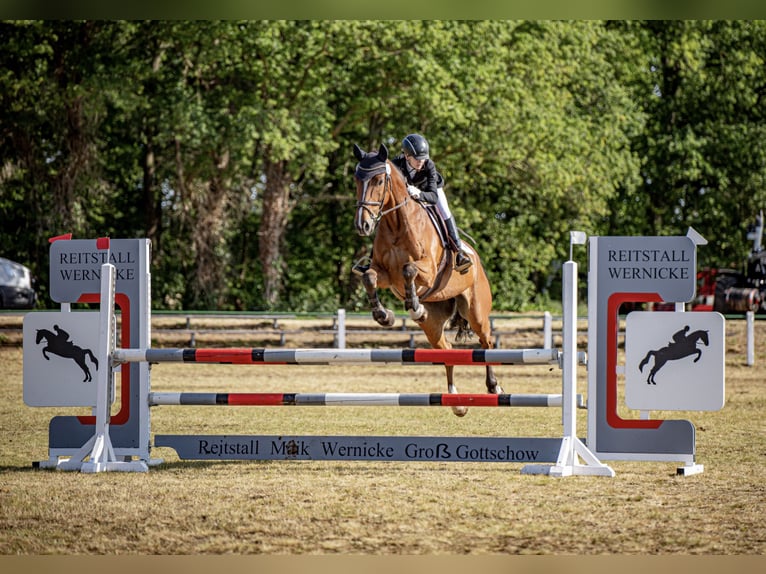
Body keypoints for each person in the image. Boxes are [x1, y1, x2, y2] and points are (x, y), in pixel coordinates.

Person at [352, 134, 472, 276]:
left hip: (430, 192)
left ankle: (459, 252)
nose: (421, 162)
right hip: (408, 197)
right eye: (417, 159)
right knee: (387, 216)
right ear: (407, 156)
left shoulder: (429, 166)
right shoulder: (397, 164)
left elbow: (433, 197)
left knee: (445, 212)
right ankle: (373, 260)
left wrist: (419, 194)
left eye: (423, 158)